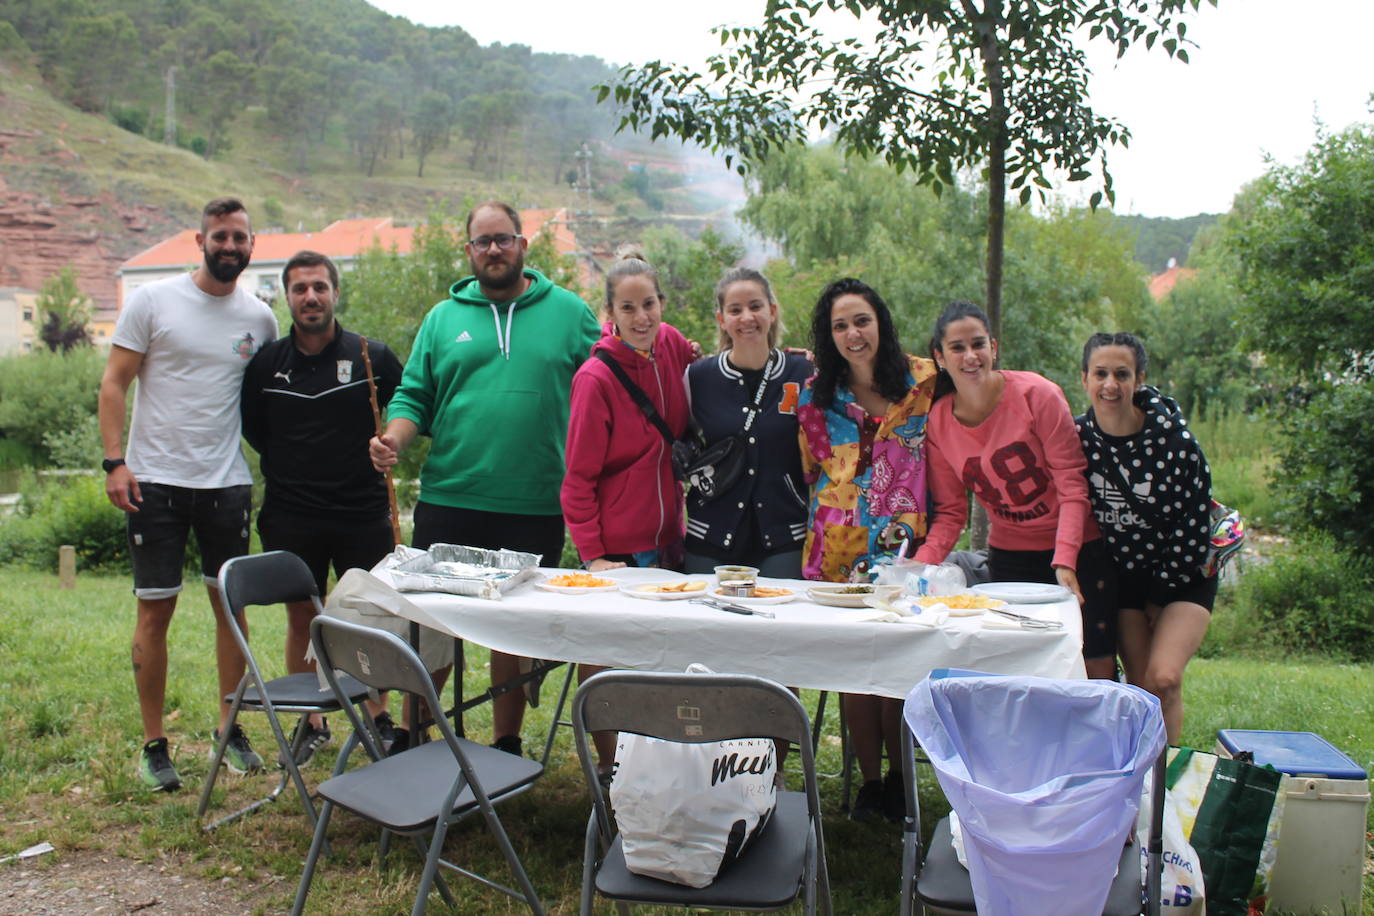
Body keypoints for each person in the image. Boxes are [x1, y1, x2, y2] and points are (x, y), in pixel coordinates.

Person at [369, 201, 600, 758]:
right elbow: (413, 397)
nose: (493, 249)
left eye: (503, 239)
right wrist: (393, 440)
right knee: (434, 627)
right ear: (468, 251)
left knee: (511, 631)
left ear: (523, 245)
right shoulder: (442, 319)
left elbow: (612, 375)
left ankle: (506, 742)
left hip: (536, 501)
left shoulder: (569, 312)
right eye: (482, 242)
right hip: (452, 498)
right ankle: (416, 737)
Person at [99, 197, 278, 791]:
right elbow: (114, 382)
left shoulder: (260, 318)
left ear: (252, 245)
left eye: (240, 237)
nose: (230, 246)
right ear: (199, 241)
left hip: (226, 484)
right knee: (155, 610)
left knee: (231, 607)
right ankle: (154, 745)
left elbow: (268, 407)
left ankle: (231, 729)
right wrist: (115, 463)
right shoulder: (154, 301)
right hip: (155, 483)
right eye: (219, 236)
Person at [240, 250, 405, 761]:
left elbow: (404, 413)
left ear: (335, 292)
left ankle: (377, 714)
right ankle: (310, 719)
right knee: (302, 618)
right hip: (292, 513)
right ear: (286, 297)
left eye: (319, 287)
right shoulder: (266, 363)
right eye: (299, 288)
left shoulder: (372, 356)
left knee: (366, 618)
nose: (310, 297)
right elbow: (255, 430)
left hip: (361, 511)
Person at [912, 301, 1118, 679]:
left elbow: (1072, 485)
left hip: (1077, 550)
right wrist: (918, 568)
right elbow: (952, 512)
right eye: (957, 348)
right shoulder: (939, 422)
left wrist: (1066, 558)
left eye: (978, 344)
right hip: (1011, 556)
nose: (970, 356)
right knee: (1020, 666)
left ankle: (1102, 738)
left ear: (994, 347)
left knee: (1092, 661)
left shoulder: (1037, 395)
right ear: (940, 357)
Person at [796, 277, 937, 821]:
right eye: (839, 326)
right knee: (859, 670)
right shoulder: (814, 397)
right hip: (837, 552)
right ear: (827, 337)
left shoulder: (924, 380)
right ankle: (871, 784)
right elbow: (809, 469)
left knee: (900, 670)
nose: (852, 333)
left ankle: (902, 779)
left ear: (880, 322)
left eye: (861, 321)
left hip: (906, 550)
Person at [560, 248, 694, 778]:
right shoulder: (595, 379)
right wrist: (593, 556)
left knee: (661, 659)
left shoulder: (673, 346)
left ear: (663, 304)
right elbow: (577, 480)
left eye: (650, 305)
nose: (642, 318)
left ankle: (660, 763)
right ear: (610, 313)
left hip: (672, 539)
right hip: (618, 547)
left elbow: (711, 362)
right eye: (628, 308)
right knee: (609, 657)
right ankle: (613, 766)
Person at [1076, 332, 1215, 742]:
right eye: (1100, 373)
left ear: (1139, 380)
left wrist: (1161, 593)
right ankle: (1143, 782)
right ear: (1084, 378)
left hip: (1184, 575)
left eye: (1122, 374)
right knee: (1141, 687)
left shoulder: (1177, 444)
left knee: (1165, 677)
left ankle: (1164, 788)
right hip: (1124, 580)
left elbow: (1193, 528)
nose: (1110, 385)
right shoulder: (1077, 439)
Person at [683, 267, 811, 577]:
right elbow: (682, 439)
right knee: (705, 623)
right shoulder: (698, 377)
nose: (747, 317)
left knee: (781, 621)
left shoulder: (803, 373)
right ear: (721, 319)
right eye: (735, 310)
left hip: (784, 534)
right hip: (710, 533)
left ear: (772, 311)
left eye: (755, 306)